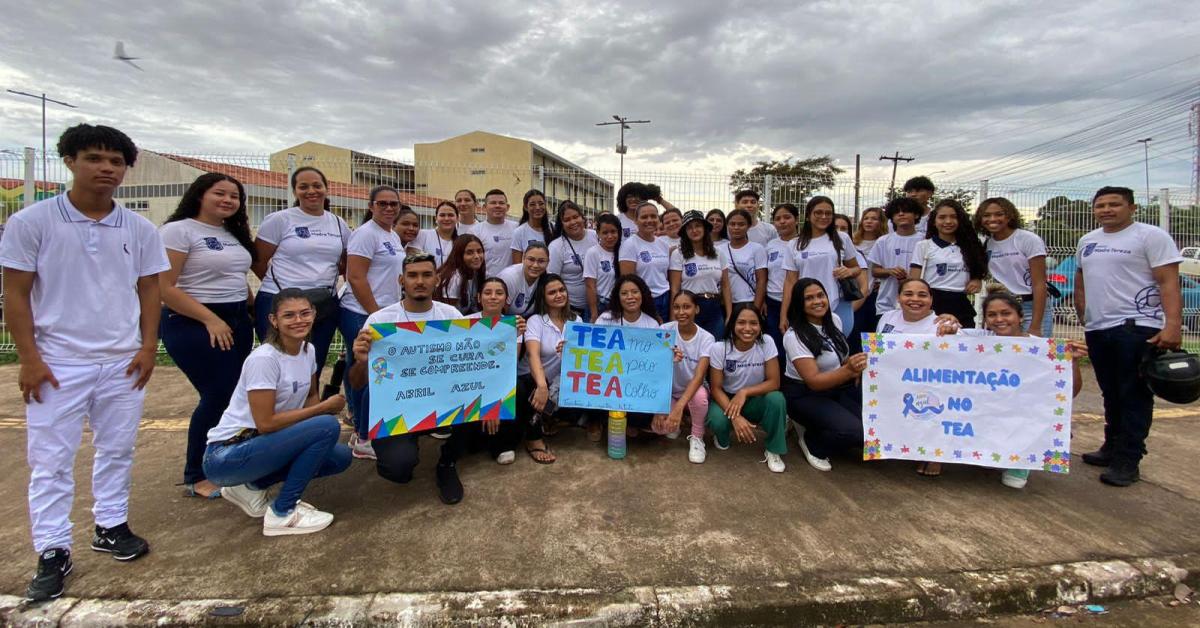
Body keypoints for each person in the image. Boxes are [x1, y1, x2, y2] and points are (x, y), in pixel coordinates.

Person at [1, 124, 169, 602]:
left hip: (122, 361)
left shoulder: (137, 228)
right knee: (50, 461)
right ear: (70, 161)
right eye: (95, 158)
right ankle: (53, 548)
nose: (107, 169)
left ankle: (111, 524)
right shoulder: (32, 222)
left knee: (117, 449)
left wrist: (146, 347)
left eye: (116, 162)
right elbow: (15, 294)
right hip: (58, 362)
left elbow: (149, 290)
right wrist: (28, 358)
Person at [202, 289, 351, 536]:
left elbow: (310, 398)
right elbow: (266, 423)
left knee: (340, 456)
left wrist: (318, 414)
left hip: (259, 444)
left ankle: (250, 485)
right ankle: (283, 512)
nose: (298, 320)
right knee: (327, 426)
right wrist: (324, 410)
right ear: (274, 320)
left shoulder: (308, 350)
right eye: (289, 315)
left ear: (314, 314)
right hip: (226, 454)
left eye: (305, 313)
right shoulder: (264, 359)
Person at [1075, 186, 1183, 487]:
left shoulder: (1150, 236)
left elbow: (1168, 282)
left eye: (1115, 205)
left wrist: (1172, 324)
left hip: (1137, 326)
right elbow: (1081, 280)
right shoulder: (1088, 241)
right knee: (1110, 391)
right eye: (1101, 206)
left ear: (1132, 208)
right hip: (1099, 327)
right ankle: (1111, 445)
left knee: (1133, 393)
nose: (1107, 210)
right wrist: (1084, 312)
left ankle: (1129, 458)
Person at [158, 173, 256, 500]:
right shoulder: (178, 230)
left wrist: (250, 308)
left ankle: (228, 461)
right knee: (216, 394)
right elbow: (164, 287)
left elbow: (233, 276)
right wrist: (210, 320)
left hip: (236, 320)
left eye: (234, 196)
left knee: (234, 395)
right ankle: (197, 474)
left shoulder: (232, 233)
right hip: (193, 321)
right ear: (200, 194)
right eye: (220, 193)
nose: (228, 200)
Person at [349, 253, 468, 504]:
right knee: (398, 470)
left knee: (483, 409)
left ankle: (447, 460)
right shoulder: (379, 321)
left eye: (426, 275)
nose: (420, 281)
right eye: (413, 275)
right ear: (401, 280)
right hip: (397, 409)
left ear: (436, 279)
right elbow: (357, 383)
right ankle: (403, 445)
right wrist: (361, 362)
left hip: (441, 401)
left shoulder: (452, 316)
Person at [968, 291, 1087, 489]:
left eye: (1006, 313)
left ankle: (1023, 459)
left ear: (1020, 316)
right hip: (988, 411)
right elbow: (948, 333)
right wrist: (949, 322)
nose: (999, 320)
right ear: (986, 320)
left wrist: (1072, 362)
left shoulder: (1041, 349)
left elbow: (1070, 392)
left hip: (1023, 416)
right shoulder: (980, 340)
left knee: (1014, 482)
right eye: (992, 315)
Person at [252, 166, 350, 378]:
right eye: (303, 187)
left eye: (317, 185)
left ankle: (310, 410)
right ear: (295, 191)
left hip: (322, 304)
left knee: (314, 364)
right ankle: (277, 410)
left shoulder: (338, 223)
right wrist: (287, 292)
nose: (311, 191)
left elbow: (345, 261)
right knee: (282, 366)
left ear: (326, 189)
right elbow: (258, 260)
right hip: (279, 300)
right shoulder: (280, 219)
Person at [338, 185, 406, 461]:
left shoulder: (390, 234)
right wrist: (376, 315)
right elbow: (355, 277)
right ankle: (365, 438)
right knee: (369, 373)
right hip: (361, 311)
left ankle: (358, 424)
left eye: (394, 204)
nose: (389, 208)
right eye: (383, 204)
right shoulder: (365, 234)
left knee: (359, 368)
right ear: (371, 206)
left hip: (378, 311)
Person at [780, 279, 867, 473]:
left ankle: (822, 424)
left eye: (820, 295)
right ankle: (811, 441)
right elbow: (814, 382)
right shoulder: (794, 336)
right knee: (853, 432)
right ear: (799, 304)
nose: (817, 301)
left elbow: (840, 358)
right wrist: (849, 370)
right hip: (805, 394)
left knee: (871, 431)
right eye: (809, 298)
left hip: (836, 388)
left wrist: (855, 363)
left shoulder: (834, 320)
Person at [705, 304, 788, 473]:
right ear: (733, 324)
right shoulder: (719, 348)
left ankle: (773, 449)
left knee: (777, 398)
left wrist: (745, 392)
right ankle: (723, 436)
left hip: (754, 397)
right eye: (741, 323)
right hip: (727, 398)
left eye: (754, 323)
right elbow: (716, 388)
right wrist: (735, 417)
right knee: (717, 421)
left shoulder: (767, 342)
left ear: (760, 325)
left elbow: (774, 382)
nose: (748, 328)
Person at [518, 274, 583, 464]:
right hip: (531, 378)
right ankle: (533, 439)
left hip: (558, 383)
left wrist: (573, 351)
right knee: (534, 387)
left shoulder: (576, 320)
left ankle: (549, 416)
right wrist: (541, 386)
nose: (558, 295)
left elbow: (583, 360)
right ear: (543, 297)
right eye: (552, 292)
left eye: (562, 290)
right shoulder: (536, 321)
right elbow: (533, 355)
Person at [779, 196, 860, 336]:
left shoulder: (842, 238)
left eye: (828, 213)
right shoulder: (794, 244)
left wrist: (848, 271)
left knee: (837, 351)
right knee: (808, 350)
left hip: (837, 304)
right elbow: (790, 281)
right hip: (805, 306)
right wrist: (784, 314)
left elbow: (857, 268)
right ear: (809, 215)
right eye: (818, 212)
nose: (824, 217)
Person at [468, 277, 526, 464]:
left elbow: (507, 367)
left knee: (519, 388)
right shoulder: (462, 324)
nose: (493, 297)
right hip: (469, 382)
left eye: (499, 293)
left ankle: (503, 443)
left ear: (506, 299)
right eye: (487, 292)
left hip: (499, 379)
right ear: (479, 297)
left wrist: (493, 405)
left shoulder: (513, 325)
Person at [974, 197, 1051, 337]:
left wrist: (1035, 326)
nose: (992, 219)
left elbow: (1040, 284)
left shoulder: (1028, 239)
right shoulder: (988, 244)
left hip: (1030, 305)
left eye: (999, 214)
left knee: (1033, 352)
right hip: (1003, 307)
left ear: (1009, 216)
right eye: (986, 215)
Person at [909, 199, 988, 329]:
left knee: (963, 344)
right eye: (942, 217)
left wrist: (977, 278)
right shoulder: (924, 245)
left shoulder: (971, 246)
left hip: (961, 303)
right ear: (934, 221)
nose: (948, 221)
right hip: (933, 301)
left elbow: (978, 269)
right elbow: (913, 279)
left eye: (953, 217)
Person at [658, 290, 716, 464]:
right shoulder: (664, 330)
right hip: (669, 390)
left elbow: (699, 377)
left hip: (693, 390)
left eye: (686, 307)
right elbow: (654, 369)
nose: (681, 312)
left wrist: (679, 407)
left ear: (696, 309)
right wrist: (658, 409)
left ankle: (697, 436)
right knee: (660, 429)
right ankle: (679, 419)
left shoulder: (707, 338)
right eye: (676, 307)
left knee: (699, 397)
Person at [669, 210, 732, 338]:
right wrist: (673, 316)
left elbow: (725, 286)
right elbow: (675, 288)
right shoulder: (678, 254)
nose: (694, 230)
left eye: (698, 225)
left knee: (715, 348)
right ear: (685, 232)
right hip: (689, 308)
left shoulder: (719, 253)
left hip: (714, 308)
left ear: (704, 228)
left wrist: (729, 315)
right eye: (690, 227)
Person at [869, 197, 924, 326]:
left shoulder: (925, 241)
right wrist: (890, 271)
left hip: (917, 304)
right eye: (896, 212)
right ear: (891, 218)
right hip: (887, 304)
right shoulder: (883, 241)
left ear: (916, 215)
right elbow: (875, 271)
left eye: (906, 211)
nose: (901, 214)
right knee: (885, 343)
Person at [619, 202, 672, 320]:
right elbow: (628, 282)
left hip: (665, 297)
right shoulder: (629, 245)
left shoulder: (663, 244)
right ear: (635, 221)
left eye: (653, 216)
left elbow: (665, 275)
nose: (649, 220)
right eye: (644, 217)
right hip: (645, 301)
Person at [547, 201, 598, 320]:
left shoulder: (595, 236)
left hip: (597, 305)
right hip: (571, 309)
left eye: (576, 217)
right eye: (567, 219)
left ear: (582, 217)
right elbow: (551, 281)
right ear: (562, 223)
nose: (573, 222)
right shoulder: (556, 246)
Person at [765, 203, 799, 362]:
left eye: (787, 217)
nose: (782, 221)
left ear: (797, 220)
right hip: (773, 302)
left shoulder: (803, 243)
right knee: (776, 343)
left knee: (796, 343)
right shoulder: (770, 246)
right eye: (778, 219)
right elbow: (765, 274)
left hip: (797, 302)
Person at [851, 207, 888, 343]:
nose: (869, 221)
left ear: (881, 222)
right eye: (866, 218)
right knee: (855, 329)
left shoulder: (884, 243)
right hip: (857, 292)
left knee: (871, 332)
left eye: (874, 219)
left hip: (875, 293)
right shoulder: (853, 243)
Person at [877, 278, 962, 335]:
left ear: (931, 299)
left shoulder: (946, 325)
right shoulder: (888, 317)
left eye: (922, 295)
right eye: (908, 294)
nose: (915, 299)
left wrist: (952, 338)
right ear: (898, 298)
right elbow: (877, 352)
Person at [722, 209, 768, 313]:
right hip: (726, 304)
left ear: (748, 226)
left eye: (741, 224)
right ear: (727, 226)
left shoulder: (757, 249)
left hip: (750, 302)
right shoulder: (720, 250)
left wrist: (756, 308)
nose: (736, 228)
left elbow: (761, 280)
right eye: (732, 224)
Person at [584, 213, 622, 323]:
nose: (610, 236)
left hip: (619, 306)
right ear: (598, 233)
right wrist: (594, 313)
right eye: (605, 233)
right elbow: (590, 285)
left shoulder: (623, 251)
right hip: (600, 305)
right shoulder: (593, 253)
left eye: (613, 232)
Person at [435, 234, 487, 314]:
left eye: (479, 251)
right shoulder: (454, 278)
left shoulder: (475, 272)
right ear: (459, 255)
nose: (477, 256)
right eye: (469, 253)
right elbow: (447, 314)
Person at [498, 242, 549, 317]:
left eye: (541, 261)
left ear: (548, 262)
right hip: (507, 323)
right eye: (531, 259)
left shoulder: (547, 278)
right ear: (523, 258)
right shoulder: (509, 278)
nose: (535, 265)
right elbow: (498, 314)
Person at [474, 189, 518, 273]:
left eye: (501, 203)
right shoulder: (475, 231)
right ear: (484, 207)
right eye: (493, 203)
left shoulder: (517, 228)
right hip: (485, 282)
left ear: (507, 207)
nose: (497, 206)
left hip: (511, 281)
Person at [512, 189, 555, 264]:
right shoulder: (519, 232)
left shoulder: (553, 228)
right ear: (526, 207)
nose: (537, 207)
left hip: (551, 274)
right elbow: (517, 265)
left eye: (541, 203)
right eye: (532, 204)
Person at [413, 201, 459, 268]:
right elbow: (411, 254)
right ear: (436, 218)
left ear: (457, 218)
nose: (446, 218)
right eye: (442, 215)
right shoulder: (423, 234)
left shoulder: (460, 241)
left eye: (450, 215)